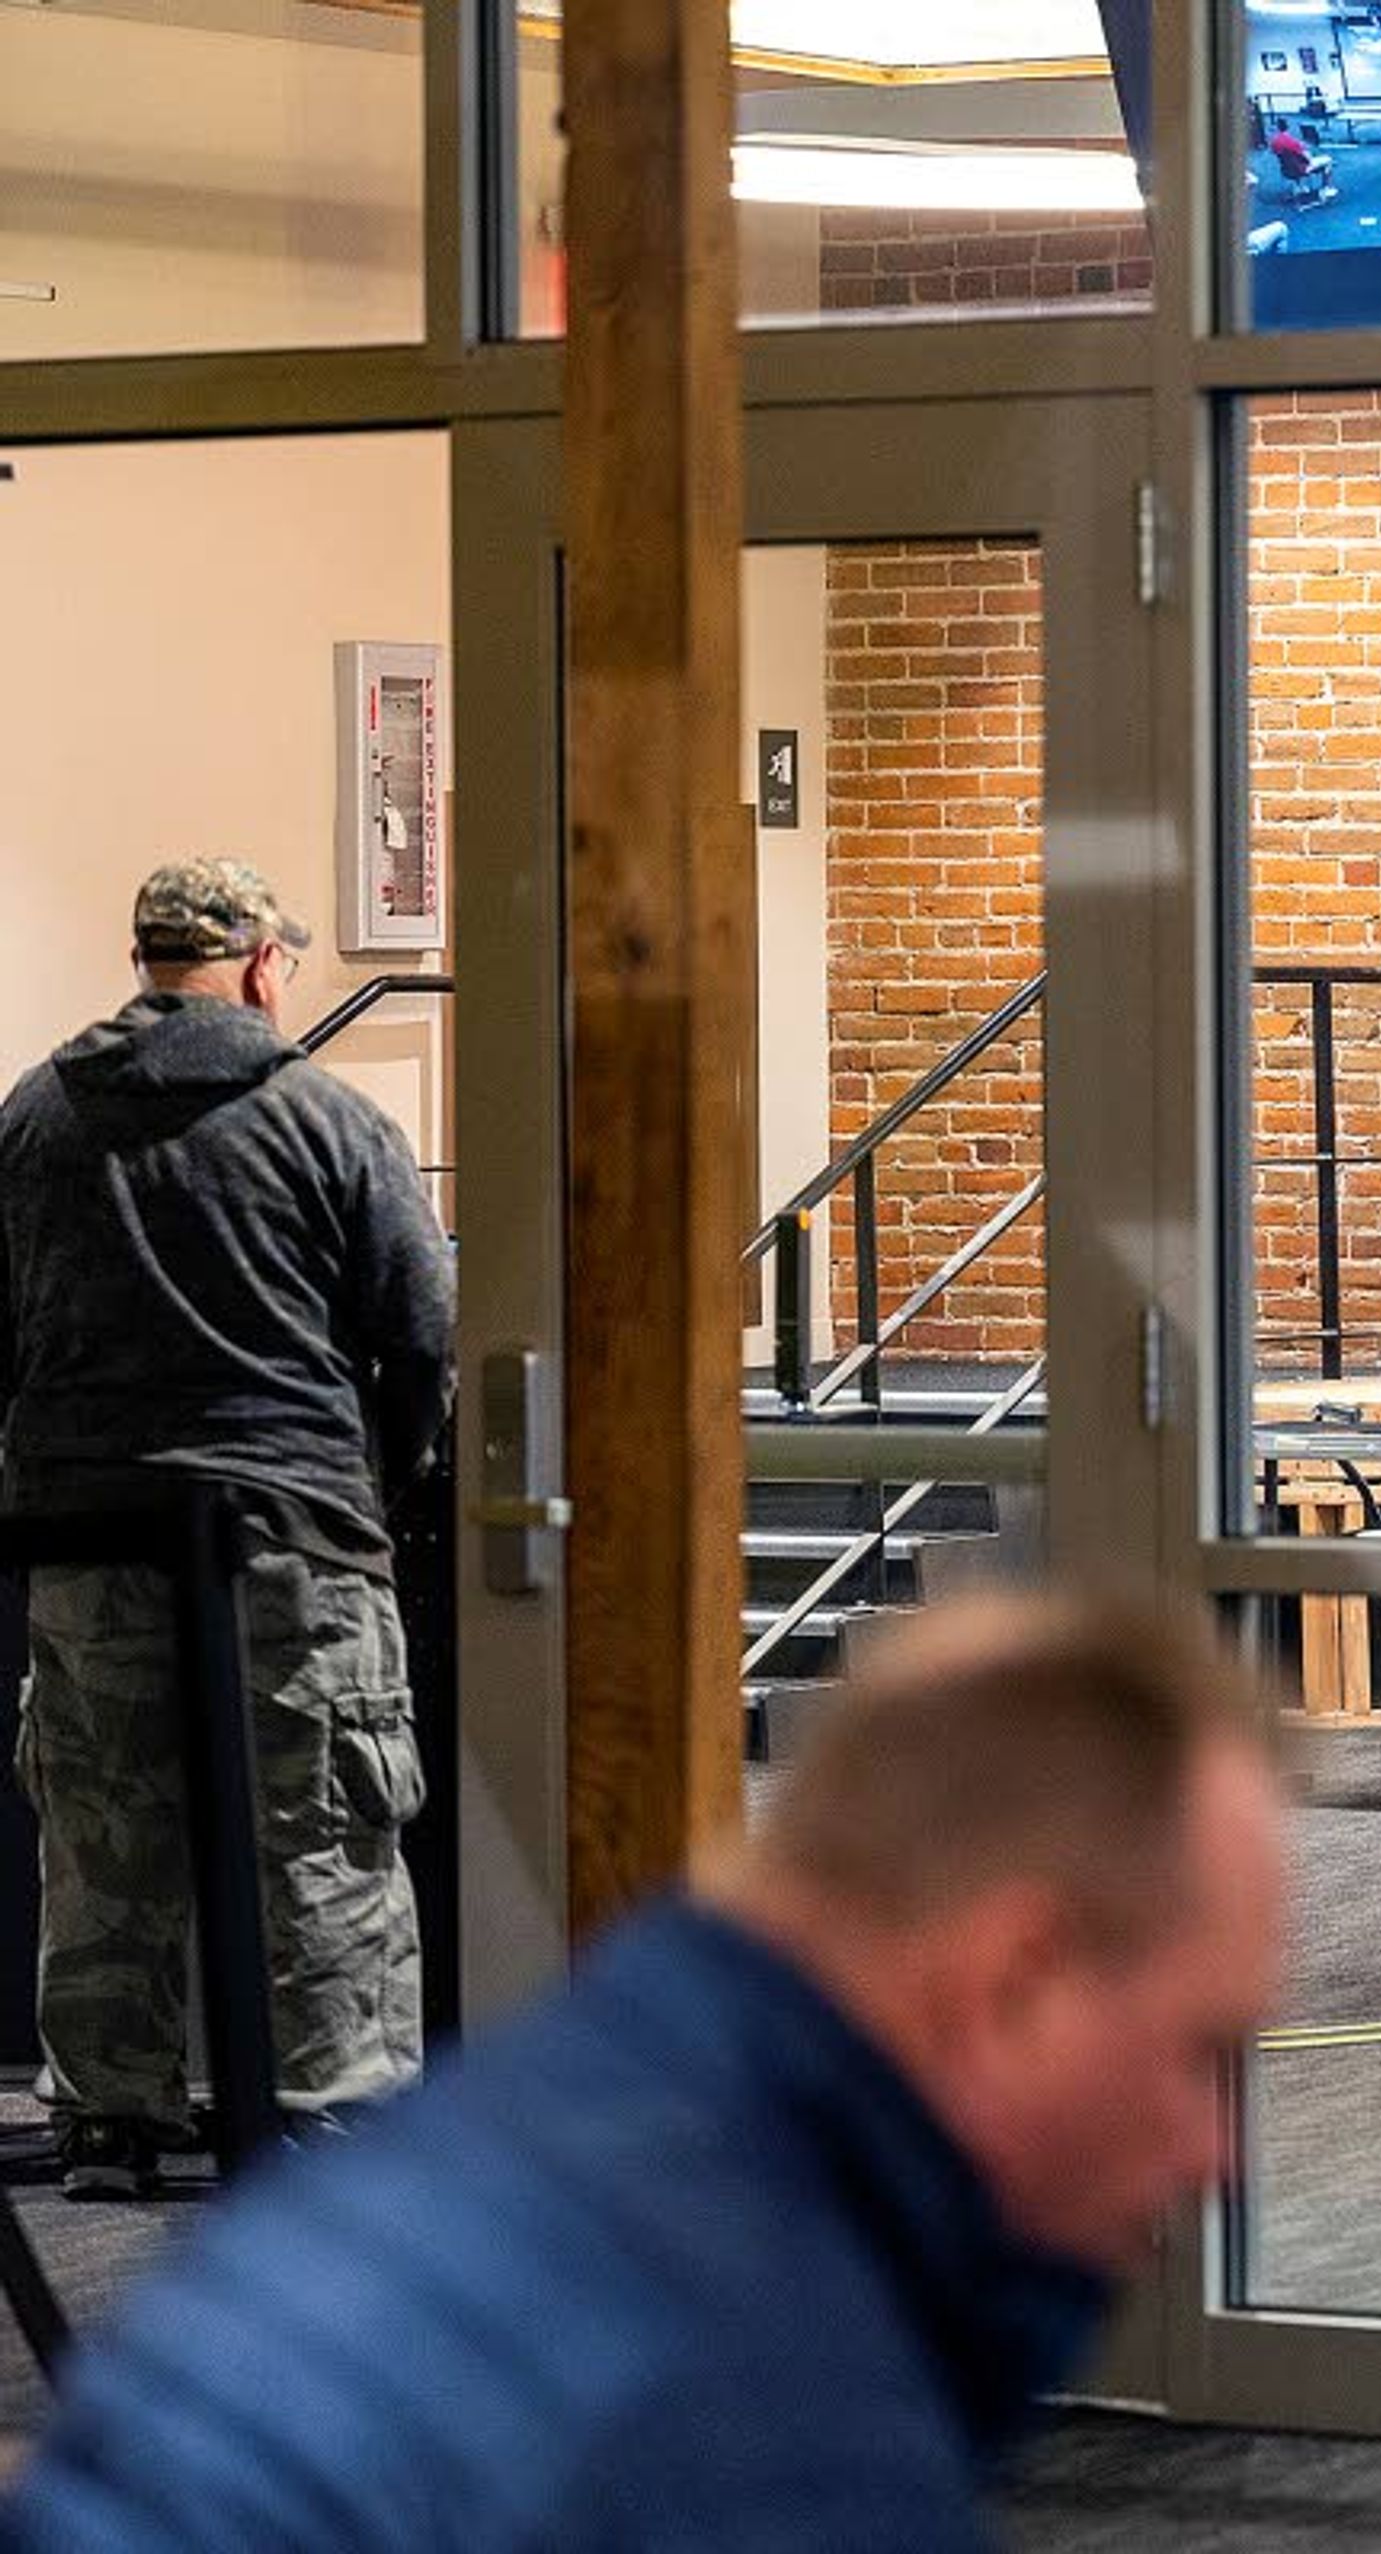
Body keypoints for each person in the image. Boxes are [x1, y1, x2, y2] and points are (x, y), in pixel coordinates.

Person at [1, 1593, 1292, 2553]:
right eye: (1200, 2051)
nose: (1215, 2151)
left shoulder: (543, 2109)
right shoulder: (766, 2434)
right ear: (1013, 1975)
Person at [0, 861, 453, 2199]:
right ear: (262, 965)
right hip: (290, 1534)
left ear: (146, 960)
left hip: (79, 1539)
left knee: (100, 1837)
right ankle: (336, 2116)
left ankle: (110, 2116)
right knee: (324, 1827)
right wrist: (383, 1474)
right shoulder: (329, 1120)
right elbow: (417, 1331)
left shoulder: (31, 1120)